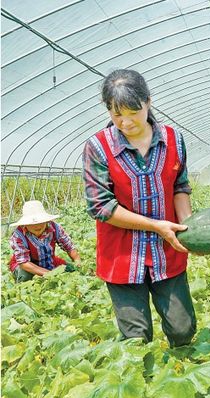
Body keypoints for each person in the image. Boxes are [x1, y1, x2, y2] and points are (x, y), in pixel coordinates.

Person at [82, 69, 196, 345]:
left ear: (148, 102)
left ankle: (181, 371)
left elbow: (179, 186)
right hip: (122, 257)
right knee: (136, 336)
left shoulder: (173, 140)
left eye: (132, 112)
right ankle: (145, 382)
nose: (125, 121)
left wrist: (191, 229)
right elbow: (101, 206)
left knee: (183, 328)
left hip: (167, 253)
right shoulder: (97, 147)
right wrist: (156, 226)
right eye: (116, 113)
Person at [9, 200, 81, 282]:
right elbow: (24, 263)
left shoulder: (54, 227)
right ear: (25, 224)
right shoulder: (18, 235)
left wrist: (77, 261)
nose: (37, 226)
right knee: (26, 276)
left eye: (41, 221)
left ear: (46, 221)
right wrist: (49, 274)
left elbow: (69, 246)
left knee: (72, 269)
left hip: (49, 262)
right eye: (32, 223)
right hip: (26, 266)